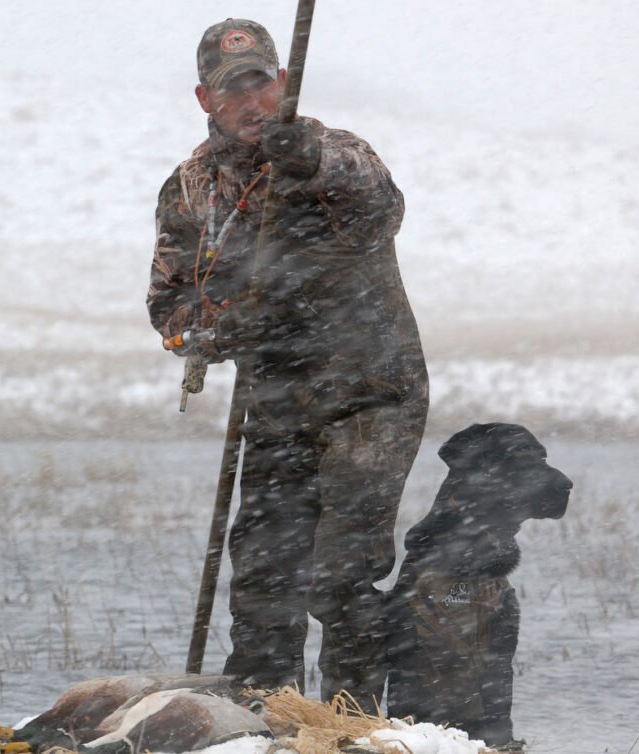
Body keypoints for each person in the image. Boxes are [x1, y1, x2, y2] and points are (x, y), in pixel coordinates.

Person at [146, 18, 429, 709]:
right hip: (276, 401)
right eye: (231, 91)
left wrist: (309, 162)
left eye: (260, 85)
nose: (251, 104)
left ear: (283, 81)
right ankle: (265, 718)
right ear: (204, 99)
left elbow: (385, 208)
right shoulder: (192, 187)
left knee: (342, 571)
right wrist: (222, 327)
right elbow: (169, 308)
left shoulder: (335, 152)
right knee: (264, 574)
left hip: (370, 392)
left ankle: (350, 725)